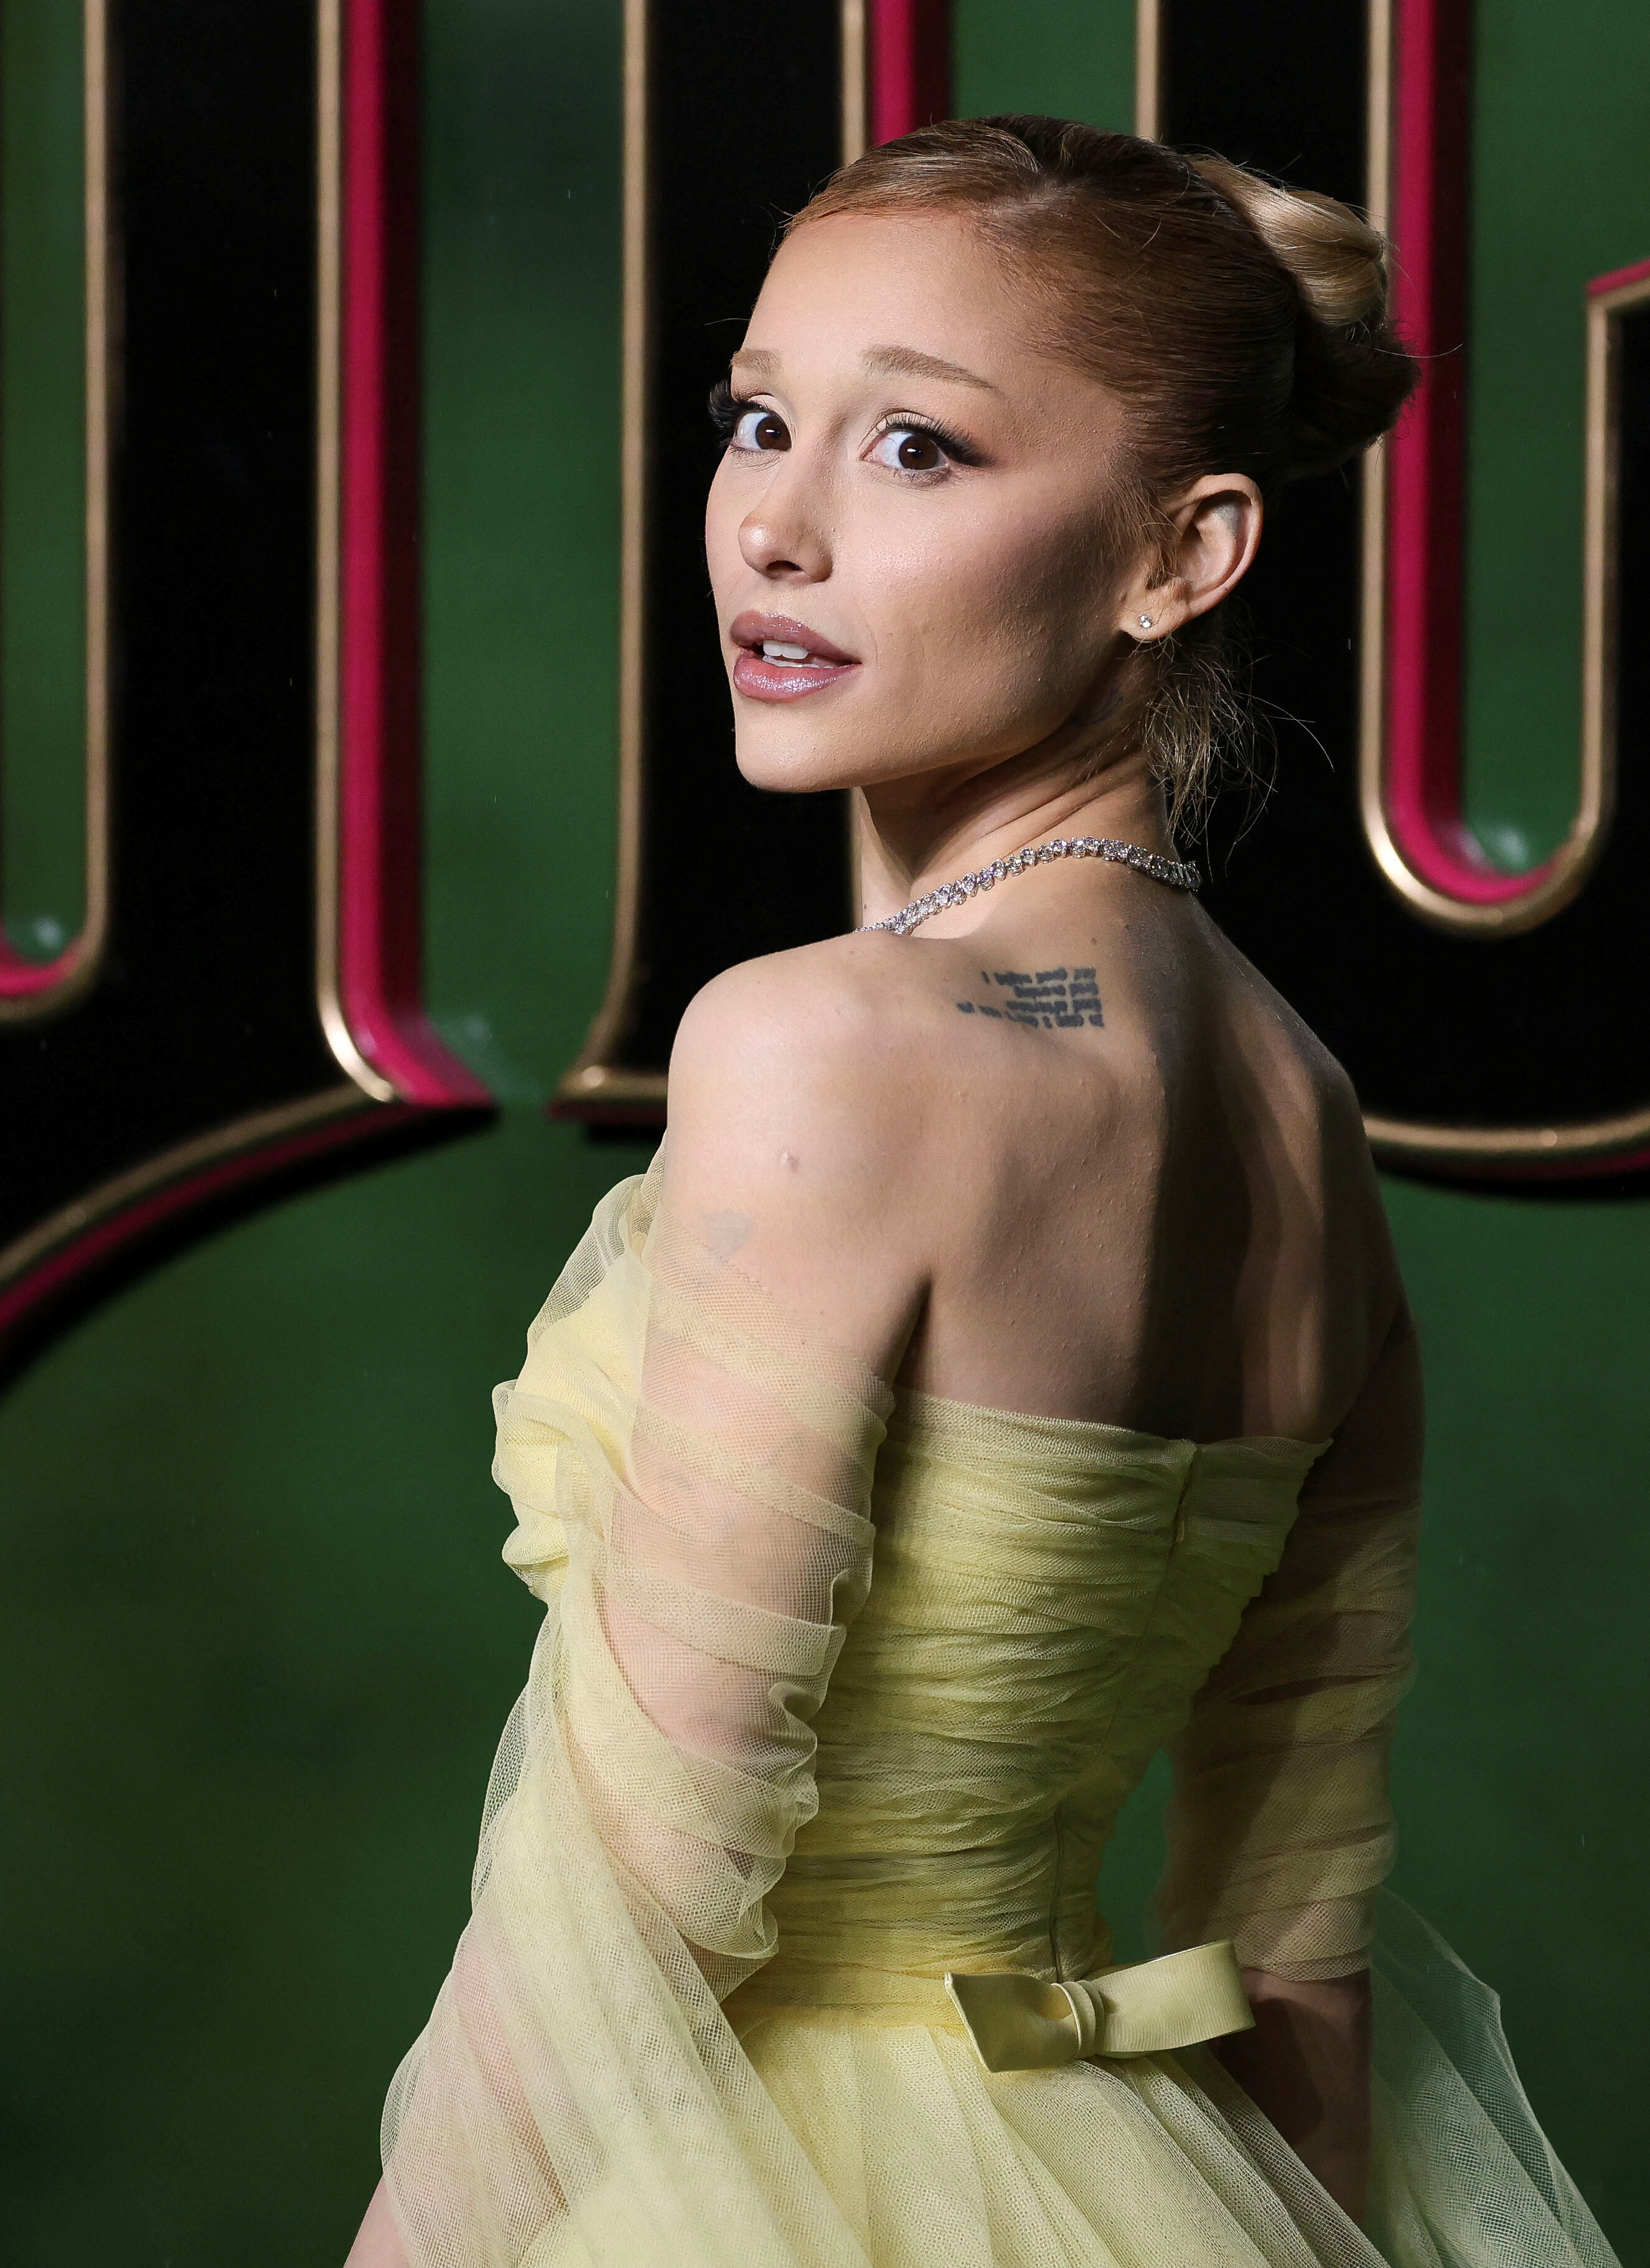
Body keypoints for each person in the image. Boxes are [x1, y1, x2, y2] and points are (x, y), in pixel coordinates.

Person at [347, 119, 1616, 2268]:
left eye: (916, 448)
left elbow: (649, 1870)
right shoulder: (1301, 1114)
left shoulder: (823, 1047)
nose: (776, 527)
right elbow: (1292, 1947)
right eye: (759, 419)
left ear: (1180, 555)